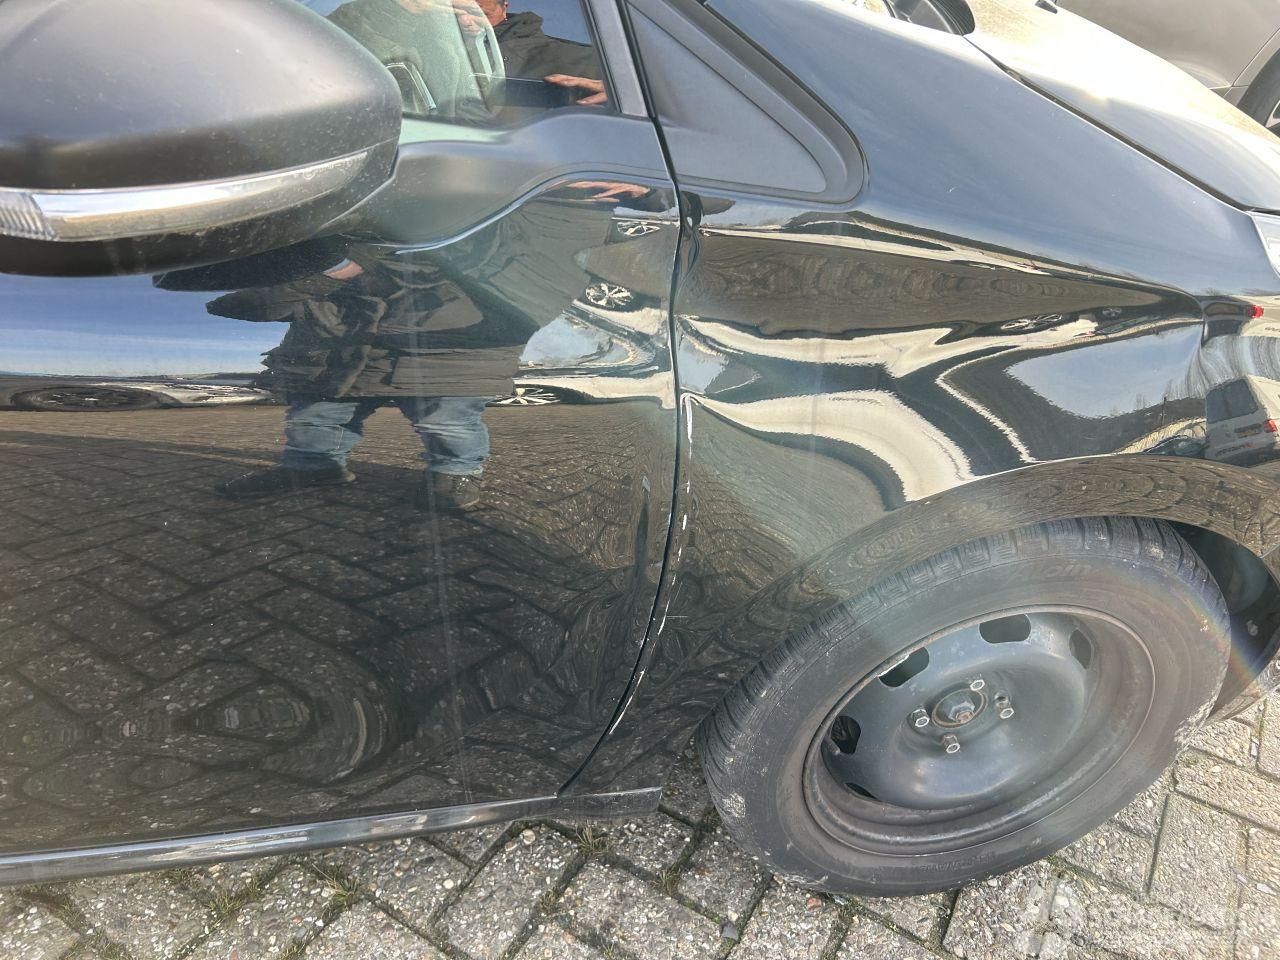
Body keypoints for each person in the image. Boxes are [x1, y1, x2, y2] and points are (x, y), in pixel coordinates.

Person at [209, 247, 537, 510]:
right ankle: (313, 466)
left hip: (440, 354)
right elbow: (241, 305)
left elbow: (521, 296)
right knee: (316, 416)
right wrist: (335, 272)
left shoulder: (465, 251)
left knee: (447, 420)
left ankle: (456, 473)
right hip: (335, 353)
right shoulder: (321, 257)